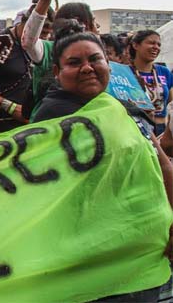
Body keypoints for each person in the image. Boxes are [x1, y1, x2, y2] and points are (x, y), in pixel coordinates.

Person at [31, 24, 173, 302]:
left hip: (140, 254)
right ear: (58, 74)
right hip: (86, 260)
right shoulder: (52, 117)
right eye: (74, 63)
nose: (87, 68)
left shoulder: (124, 109)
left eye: (95, 59)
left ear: (108, 64)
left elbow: (163, 164)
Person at [21, 0, 99, 119]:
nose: (97, 27)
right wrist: (45, 1)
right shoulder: (50, 49)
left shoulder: (99, 54)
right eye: (93, 21)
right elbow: (28, 41)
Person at [0, 1, 54, 135]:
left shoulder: (43, 48)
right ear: (28, 25)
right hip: (0, 124)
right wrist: (10, 107)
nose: (44, 38)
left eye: (48, 34)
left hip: (31, 123)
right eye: (42, 33)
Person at [129, 30, 173, 135]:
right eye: (151, 43)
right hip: (137, 129)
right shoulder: (125, 72)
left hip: (162, 129)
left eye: (158, 44)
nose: (156, 47)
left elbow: (171, 103)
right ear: (135, 45)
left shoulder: (164, 72)